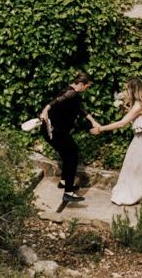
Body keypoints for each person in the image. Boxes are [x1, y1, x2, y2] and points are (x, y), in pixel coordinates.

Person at [91, 78, 142, 208]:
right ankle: (138, 191)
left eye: (127, 89)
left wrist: (101, 129)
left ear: (132, 90)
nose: (126, 91)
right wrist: (125, 107)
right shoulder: (140, 102)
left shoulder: (139, 104)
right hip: (141, 137)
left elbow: (122, 123)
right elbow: (136, 117)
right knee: (132, 165)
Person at [39, 72, 99, 203]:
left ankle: (64, 182)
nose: (87, 89)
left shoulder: (74, 95)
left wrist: (93, 121)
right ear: (82, 84)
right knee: (72, 154)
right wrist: (45, 110)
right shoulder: (70, 92)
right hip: (53, 131)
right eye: (87, 86)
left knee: (67, 155)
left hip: (57, 131)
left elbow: (80, 109)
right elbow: (54, 102)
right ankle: (68, 192)